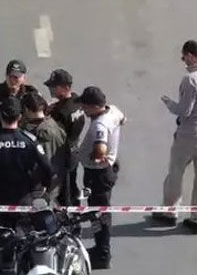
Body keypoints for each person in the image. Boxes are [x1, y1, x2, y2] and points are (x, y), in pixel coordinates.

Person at [150, 40, 197, 234]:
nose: (184, 61)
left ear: (191, 56)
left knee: (176, 172)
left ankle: (170, 212)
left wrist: (169, 103)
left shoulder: (191, 79)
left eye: (184, 57)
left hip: (190, 134)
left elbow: (184, 111)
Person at [0, 97, 52, 245]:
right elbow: (48, 168)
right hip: (24, 196)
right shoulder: (29, 139)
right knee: (25, 237)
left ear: (0, 115)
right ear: (20, 116)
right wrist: (44, 187)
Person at [72, 86, 125, 269]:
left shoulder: (100, 124)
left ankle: (102, 255)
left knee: (100, 214)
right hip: (108, 169)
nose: (83, 110)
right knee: (100, 211)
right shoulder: (114, 110)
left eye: (85, 107)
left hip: (98, 173)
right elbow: (122, 119)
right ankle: (99, 248)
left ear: (95, 106)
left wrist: (94, 156)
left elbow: (101, 148)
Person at [43, 69, 84, 206]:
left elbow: (50, 133)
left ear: (66, 87)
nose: (51, 89)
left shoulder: (59, 112)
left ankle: (67, 218)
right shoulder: (77, 101)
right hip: (74, 150)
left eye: (54, 87)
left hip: (62, 155)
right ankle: (75, 211)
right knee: (72, 186)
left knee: (62, 191)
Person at [20, 91, 65, 201]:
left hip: (39, 188)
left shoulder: (37, 133)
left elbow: (40, 162)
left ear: (26, 109)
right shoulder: (55, 126)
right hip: (54, 184)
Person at [0, 59, 38, 131]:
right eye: (10, 76)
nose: (13, 80)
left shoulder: (30, 93)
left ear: (24, 78)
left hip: (22, 136)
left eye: (16, 77)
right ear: (6, 75)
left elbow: (40, 114)